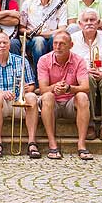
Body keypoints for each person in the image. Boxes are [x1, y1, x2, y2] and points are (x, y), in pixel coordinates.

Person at [0, 32, 40, 159]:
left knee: (31, 97)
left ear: (10, 45)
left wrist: (25, 91)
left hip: (19, 103)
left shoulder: (22, 61)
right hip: (0, 105)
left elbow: (32, 85)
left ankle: (32, 143)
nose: (2, 45)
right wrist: (1, 93)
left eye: (5, 42)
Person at [37, 31, 92, 160]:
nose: (58, 46)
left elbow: (86, 87)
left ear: (71, 45)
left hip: (70, 103)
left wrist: (69, 88)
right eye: (55, 43)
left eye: (62, 44)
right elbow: (43, 89)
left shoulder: (79, 60)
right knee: (47, 96)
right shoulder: (44, 60)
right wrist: (54, 88)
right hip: (52, 104)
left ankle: (81, 144)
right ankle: (52, 143)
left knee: (83, 96)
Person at [70, 9, 102, 141]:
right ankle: (90, 123)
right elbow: (70, 64)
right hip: (84, 76)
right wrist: (84, 72)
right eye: (85, 20)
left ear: (98, 23)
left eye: (92, 20)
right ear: (80, 24)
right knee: (87, 79)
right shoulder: (73, 40)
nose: (89, 23)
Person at [20, 0, 68, 68]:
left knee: (55, 38)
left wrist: (41, 33)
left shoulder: (61, 5)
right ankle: (40, 75)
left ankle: (56, 70)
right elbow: (21, 28)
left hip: (52, 39)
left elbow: (62, 30)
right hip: (33, 41)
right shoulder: (27, 4)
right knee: (39, 41)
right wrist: (32, 32)